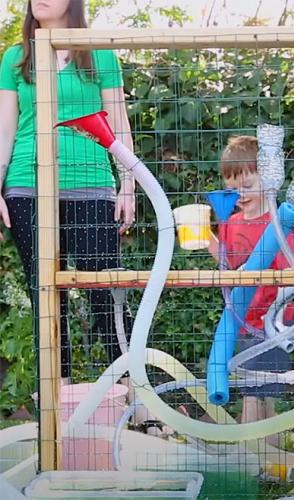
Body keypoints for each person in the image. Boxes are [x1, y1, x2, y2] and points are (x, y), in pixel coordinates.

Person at [0, 0, 135, 381]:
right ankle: (57, 399)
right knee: (45, 295)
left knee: (106, 289)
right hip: (28, 186)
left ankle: (132, 394)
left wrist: (128, 183)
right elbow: (5, 130)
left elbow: (119, 124)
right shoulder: (14, 59)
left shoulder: (99, 53)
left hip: (91, 182)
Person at [207, 135, 294, 430]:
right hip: (242, 319)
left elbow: (289, 277)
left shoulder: (278, 223)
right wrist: (204, 237)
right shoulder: (232, 223)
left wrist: (280, 323)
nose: (240, 195)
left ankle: (254, 460)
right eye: (233, 189)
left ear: (267, 181)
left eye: (247, 186)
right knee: (255, 392)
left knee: (258, 394)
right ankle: (271, 465)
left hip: (271, 323)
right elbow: (227, 264)